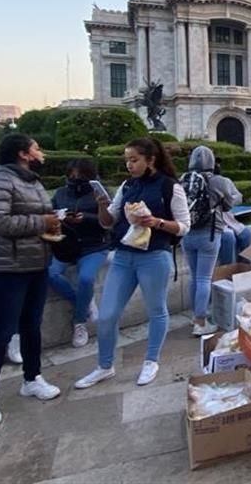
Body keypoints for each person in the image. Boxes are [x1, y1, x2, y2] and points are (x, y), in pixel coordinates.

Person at [75, 138, 191, 390]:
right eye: (127, 159)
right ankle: (105, 366)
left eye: (134, 159)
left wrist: (156, 222)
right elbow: (109, 221)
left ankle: (151, 360)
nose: (129, 164)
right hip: (123, 257)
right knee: (107, 315)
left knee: (156, 310)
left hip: (154, 256)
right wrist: (103, 206)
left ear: (151, 160)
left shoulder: (170, 187)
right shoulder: (127, 186)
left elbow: (184, 226)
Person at [0, 134, 62, 428]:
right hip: (6, 267)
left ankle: (32, 378)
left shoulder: (31, 180)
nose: (42, 152)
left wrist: (55, 221)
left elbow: (39, 215)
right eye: (37, 148)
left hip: (35, 262)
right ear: (24, 153)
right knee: (1, 332)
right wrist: (42, 223)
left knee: (31, 325)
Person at [47, 158, 108, 348]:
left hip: (94, 245)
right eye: (72, 174)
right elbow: (49, 212)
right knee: (50, 273)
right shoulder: (61, 193)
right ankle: (84, 301)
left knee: (86, 279)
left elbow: (110, 220)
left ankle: (79, 321)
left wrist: (86, 219)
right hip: (66, 245)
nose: (75, 178)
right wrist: (59, 217)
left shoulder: (99, 193)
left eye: (80, 175)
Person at [182, 145, 241, 336]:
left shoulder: (182, 180)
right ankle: (200, 321)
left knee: (193, 277)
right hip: (209, 234)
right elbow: (232, 202)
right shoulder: (219, 181)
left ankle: (195, 315)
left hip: (186, 233)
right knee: (204, 278)